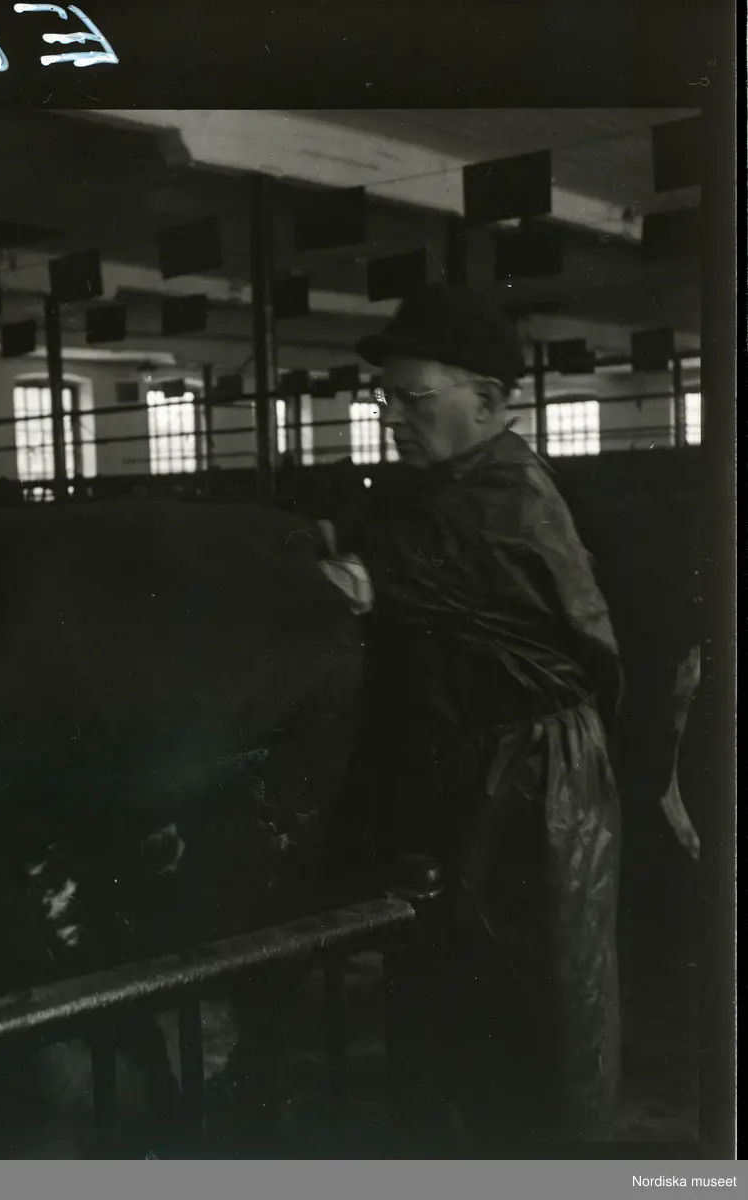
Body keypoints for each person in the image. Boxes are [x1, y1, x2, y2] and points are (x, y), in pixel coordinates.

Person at [324, 284, 625, 1150]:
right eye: (383, 398)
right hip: (477, 763)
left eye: (412, 398)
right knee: (463, 990)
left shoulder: (499, 502)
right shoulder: (445, 489)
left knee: (530, 1001)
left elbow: (364, 581)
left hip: (529, 779)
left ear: (487, 401)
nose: (390, 416)